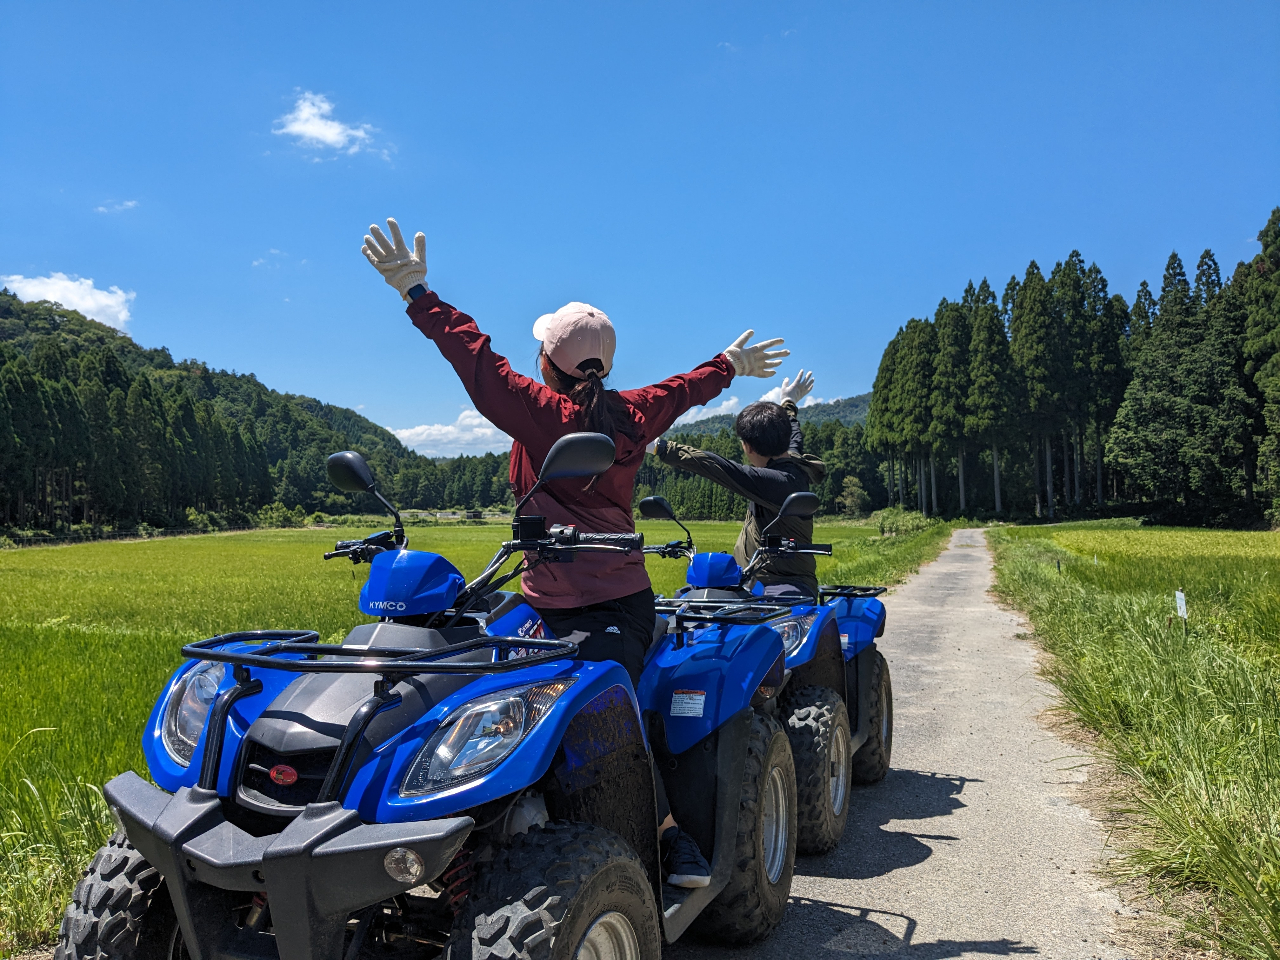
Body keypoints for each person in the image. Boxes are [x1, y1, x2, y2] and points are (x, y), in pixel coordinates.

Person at [362, 217, 787, 888]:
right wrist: (728, 366)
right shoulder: (632, 410)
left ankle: (668, 833)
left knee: (607, 714)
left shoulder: (541, 412)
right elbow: (683, 389)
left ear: (548, 363)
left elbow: (476, 361)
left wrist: (419, 294)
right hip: (549, 599)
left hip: (605, 607)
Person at [650, 371, 827, 598]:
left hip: (783, 583)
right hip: (750, 578)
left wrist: (659, 447)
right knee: (685, 599)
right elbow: (794, 435)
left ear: (748, 447)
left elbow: (716, 467)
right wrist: (788, 402)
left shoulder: (775, 482)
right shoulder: (791, 460)